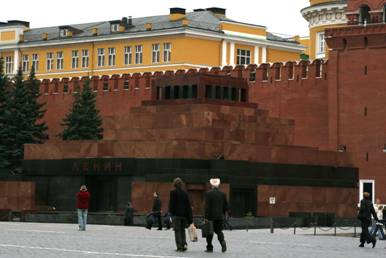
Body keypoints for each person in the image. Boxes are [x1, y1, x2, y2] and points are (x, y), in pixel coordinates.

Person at [168, 177, 193, 252]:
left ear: (174, 184)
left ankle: (179, 247)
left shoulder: (173, 192)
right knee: (182, 231)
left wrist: (170, 213)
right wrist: (189, 217)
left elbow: (171, 204)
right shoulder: (185, 193)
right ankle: (184, 245)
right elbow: (188, 206)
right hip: (184, 216)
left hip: (176, 215)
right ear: (181, 184)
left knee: (177, 231)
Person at [204, 178, 228, 253]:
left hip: (210, 217)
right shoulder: (223, 194)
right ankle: (222, 242)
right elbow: (226, 206)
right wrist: (223, 214)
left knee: (209, 232)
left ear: (212, 185)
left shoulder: (208, 194)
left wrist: (206, 217)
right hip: (219, 217)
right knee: (219, 231)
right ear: (218, 185)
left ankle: (209, 247)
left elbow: (207, 207)